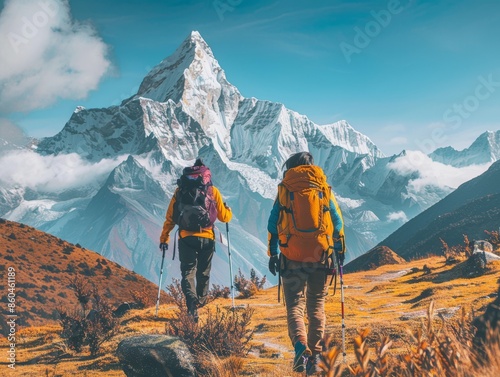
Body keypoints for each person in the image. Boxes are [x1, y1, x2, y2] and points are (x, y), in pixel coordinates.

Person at [267, 151, 345, 375]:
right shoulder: (322, 187)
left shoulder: (285, 188)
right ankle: (316, 355)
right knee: (316, 304)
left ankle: (301, 347)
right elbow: (337, 222)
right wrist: (339, 249)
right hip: (320, 256)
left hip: (291, 256)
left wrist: (273, 253)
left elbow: (273, 224)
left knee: (294, 306)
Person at [159, 158, 232, 322]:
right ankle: (200, 301)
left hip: (186, 237)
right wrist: (229, 210)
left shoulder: (180, 191)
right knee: (203, 272)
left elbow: (170, 217)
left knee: (188, 273)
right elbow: (224, 217)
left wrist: (164, 237)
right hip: (207, 237)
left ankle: (191, 302)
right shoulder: (213, 191)